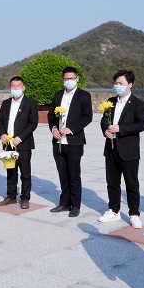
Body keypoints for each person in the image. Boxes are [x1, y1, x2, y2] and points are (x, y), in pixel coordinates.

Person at [98, 70, 144, 228]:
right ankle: (114, 210)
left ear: (130, 85)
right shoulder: (110, 102)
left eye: (121, 83)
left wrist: (120, 128)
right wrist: (105, 130)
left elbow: (141, 125)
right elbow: (104, 121)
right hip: (111, 149)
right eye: (116, 83)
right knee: (112, 182)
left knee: (131, 184)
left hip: (128, 151)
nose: (117, 86)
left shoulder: (138, 104)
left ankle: (134, 213)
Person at [48, 67, 93, 218]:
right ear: (62, 79)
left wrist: (71, 129)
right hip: (58, 142)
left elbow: (87, 117)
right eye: (66, 79)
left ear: (77, 78)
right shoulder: (58, 95)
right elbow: (51, 116)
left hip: (74, 142)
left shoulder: (84, 96)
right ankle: (64, 203)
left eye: (71, 78)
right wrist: (54, 128)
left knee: (74, 175)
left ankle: (75, 205)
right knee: (63, 175)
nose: (68, 81)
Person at [0, 76, 38, 209]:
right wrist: (2, 133)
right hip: (8, 143)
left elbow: (33, 123)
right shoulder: (6, 103)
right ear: (10, 88)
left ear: (23, 87)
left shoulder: (30, 103)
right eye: (13, 86)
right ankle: (11, 196)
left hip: (23, 143)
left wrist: (20, 137)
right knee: (11, 171)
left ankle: (25, 198)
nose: (16, 88)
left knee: (25, 172)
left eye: (18, 86)